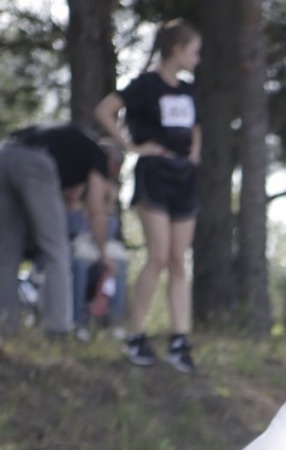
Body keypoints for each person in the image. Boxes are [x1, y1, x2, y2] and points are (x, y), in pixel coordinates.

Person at [94, 17, 201, 372]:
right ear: (176, 49)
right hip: (154, 174)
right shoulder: (144, 85)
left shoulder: (187, 90)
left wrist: (195, 151)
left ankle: (179, 340)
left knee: (178, 260)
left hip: (184, 177)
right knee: (157, 256)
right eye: (194, 51)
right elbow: (105, 110)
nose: (197, 58)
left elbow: (195, 126)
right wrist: (130, 146)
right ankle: (136, 335)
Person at [0, 122, 118, 336]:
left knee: (6, 253)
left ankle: (6, 327)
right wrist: (103, 254)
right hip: (34, 161)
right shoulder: (98, 155)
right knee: (57, 250)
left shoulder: (72, 145)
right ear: (111, 161)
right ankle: (58, 328)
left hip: (4, 152)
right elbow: (96, 209)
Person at [64, 179, 128, 337]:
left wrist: (108, 203)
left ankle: (114, 322)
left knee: (117, 268)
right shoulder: (67, 211)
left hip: (96, 266)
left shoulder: (106, 214)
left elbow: (109, 233)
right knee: (78, 265)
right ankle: (76, 323)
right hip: (72, 267)